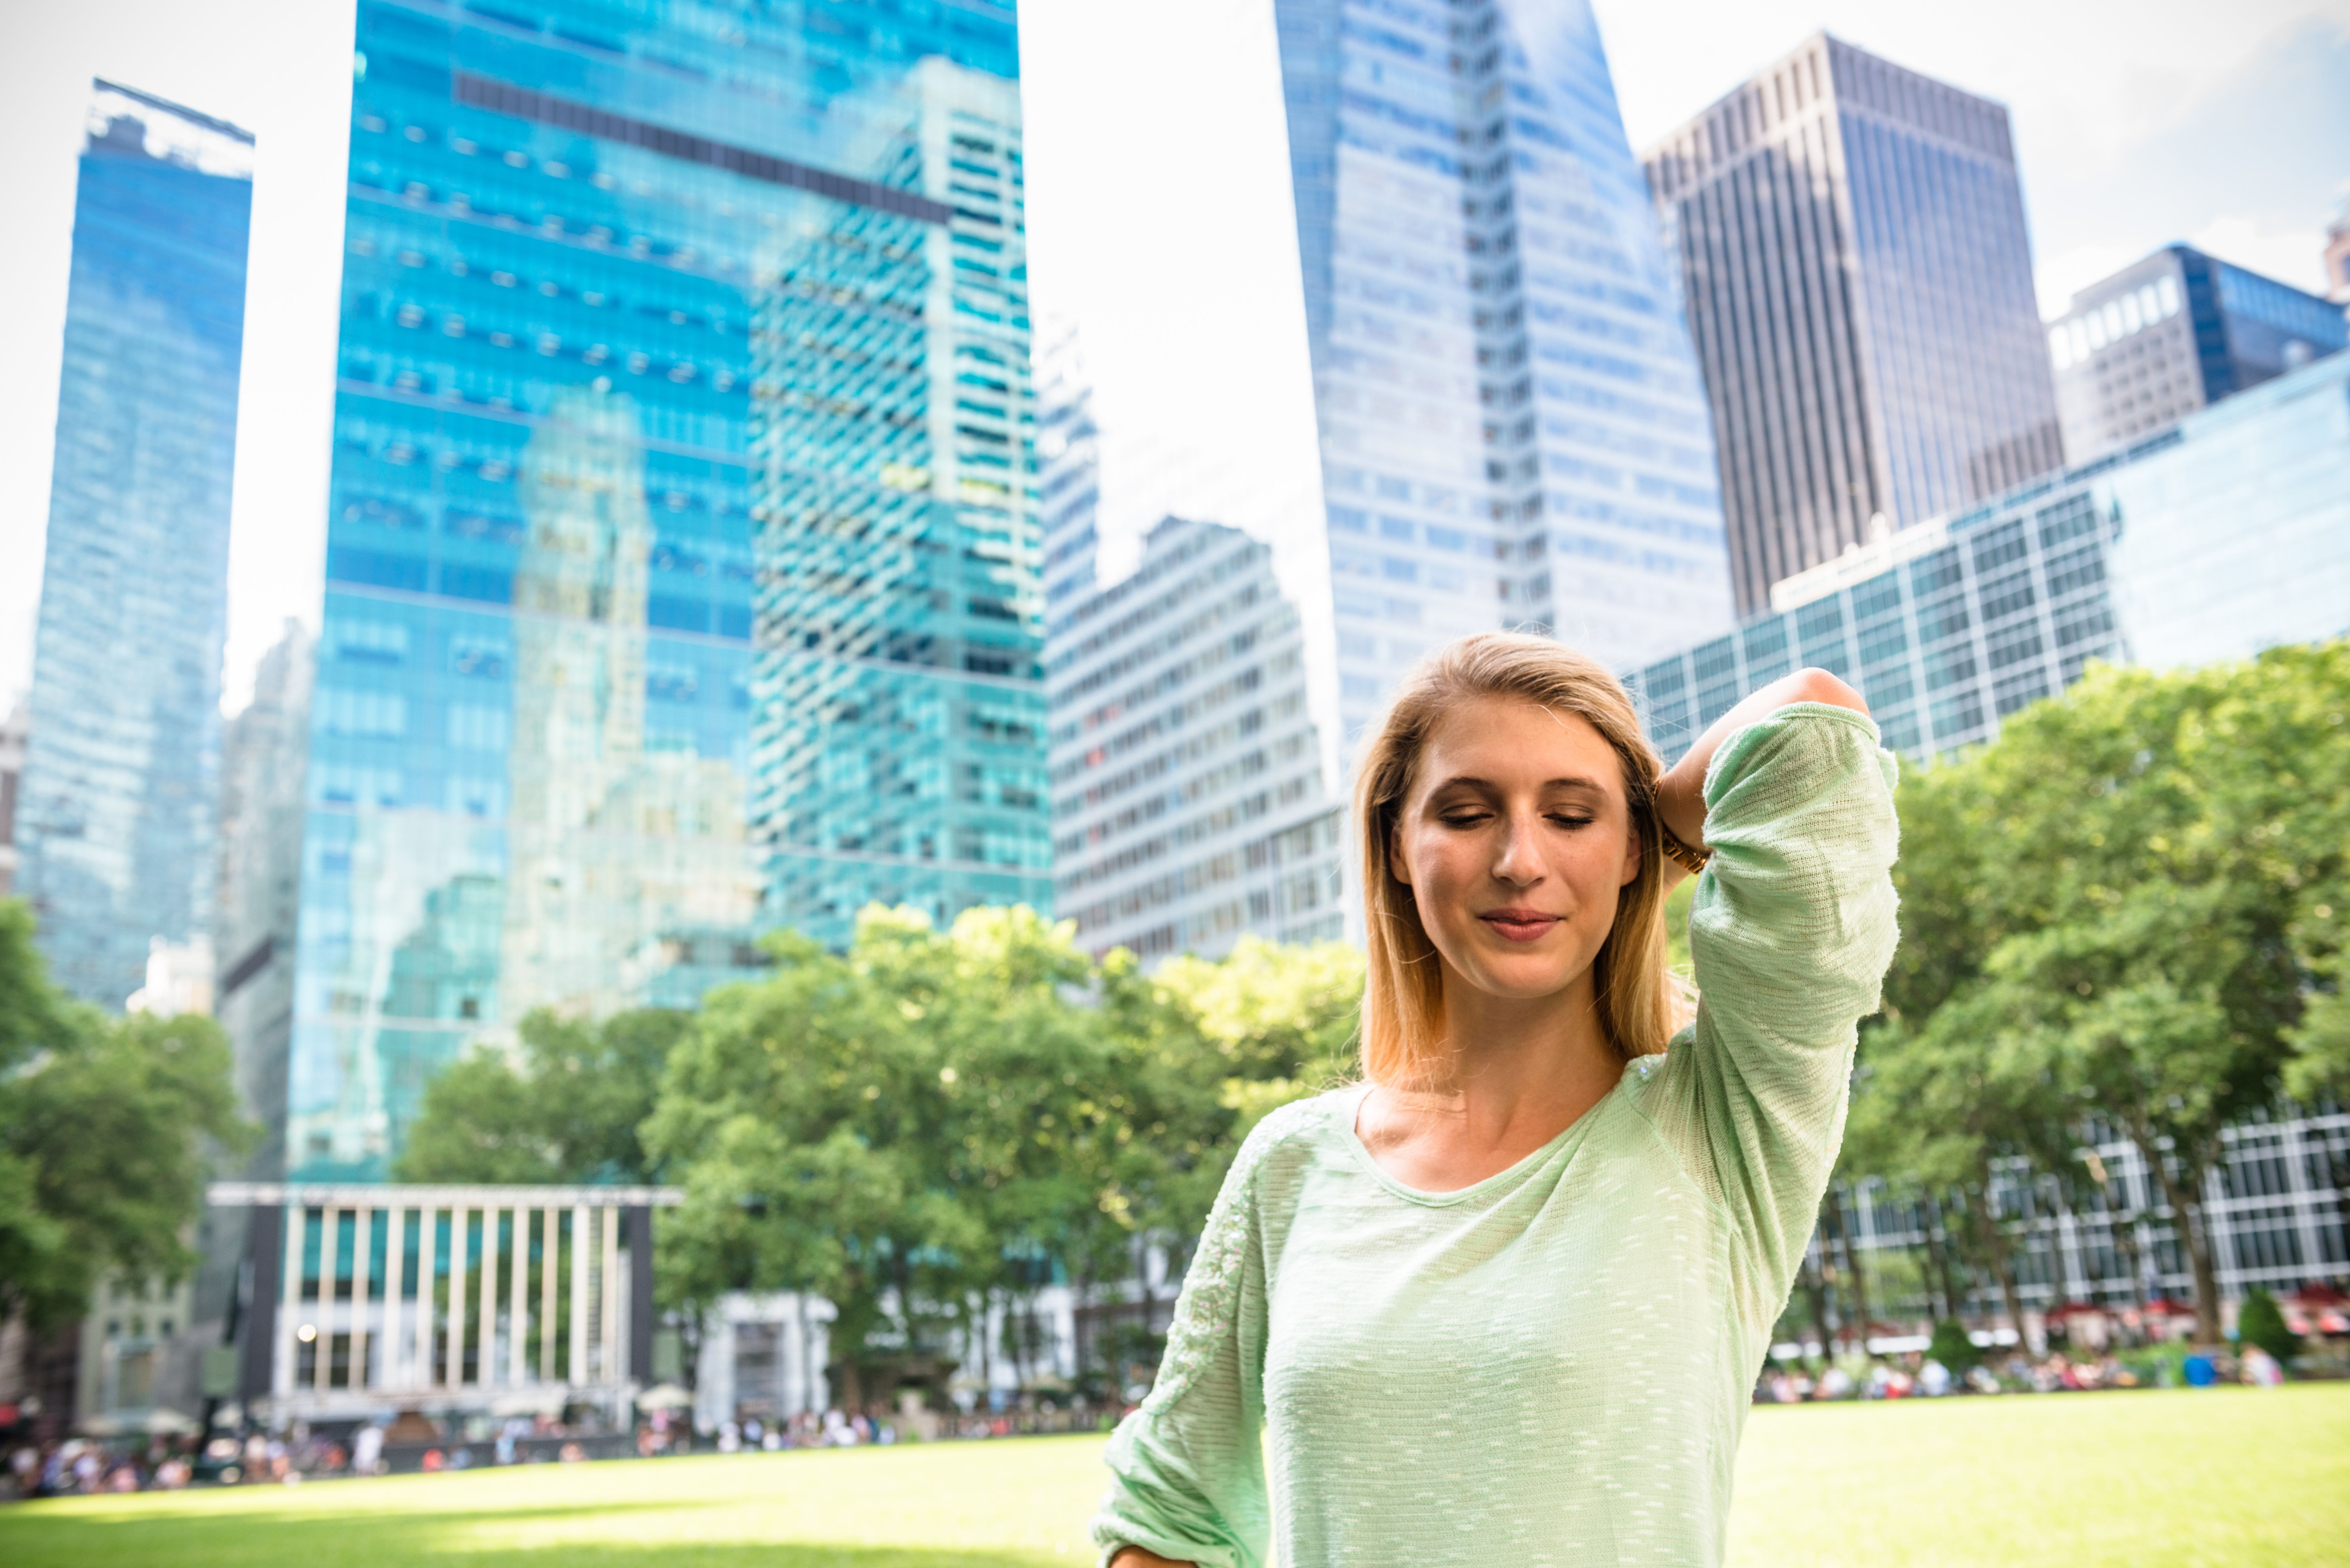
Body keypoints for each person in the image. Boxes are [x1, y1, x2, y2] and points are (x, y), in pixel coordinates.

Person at [1091, 634, 1898, 1568]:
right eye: (1469, 815)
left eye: (1568, 815)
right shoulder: (1292, 1162)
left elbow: (1813, 719)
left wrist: (1645, 851)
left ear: (1634, 844)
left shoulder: (1725, 1120)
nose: (1520, 860)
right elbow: (1167, 1510)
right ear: (1397, 845)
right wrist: (1599, 848)